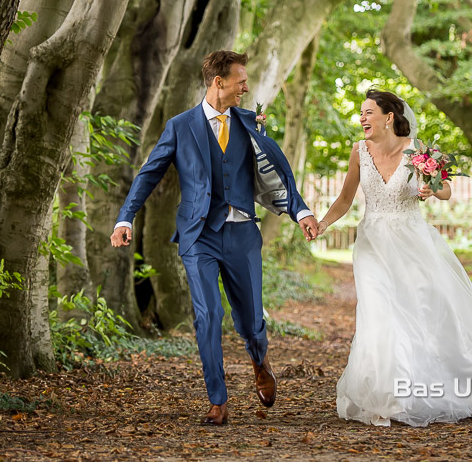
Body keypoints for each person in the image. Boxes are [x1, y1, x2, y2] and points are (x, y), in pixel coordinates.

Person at [110, 50, 319, 426]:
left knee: (252, 317)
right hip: (198, 235)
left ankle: (260, 360)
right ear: (217, 82)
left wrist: (299, 211)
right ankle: (217, 400)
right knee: (208, 316)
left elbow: (274, 172)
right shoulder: (180, 125)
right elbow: (148, 174)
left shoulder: (249, 122)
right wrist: (126, 218)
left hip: (242, 233)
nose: (246, 86)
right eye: (241, 80)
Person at [316, 89, 472, 427]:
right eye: (361, 113)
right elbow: (345, 198)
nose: (362, 119)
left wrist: (431, 188)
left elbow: (446, 189)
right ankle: (388, 397)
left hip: (412, 241)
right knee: (379, 313)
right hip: (372, 244)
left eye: (368, 112)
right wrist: (321, 224)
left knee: (423, 310)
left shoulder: (419, 152)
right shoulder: (358, 151)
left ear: (388, 117)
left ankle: (448, 388)